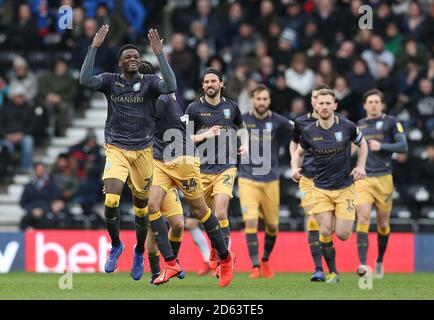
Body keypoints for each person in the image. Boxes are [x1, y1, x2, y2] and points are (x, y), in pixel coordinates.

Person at [79, 25, 181, 282]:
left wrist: (159, 54)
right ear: (120, 62)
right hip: (116, 148)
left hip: (144, 151)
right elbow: (84, 80)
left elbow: (170, 85)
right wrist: (93, 48)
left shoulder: (149, 83)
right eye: (129, 57)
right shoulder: (110, 81)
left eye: (137, 56)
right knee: (111, 198)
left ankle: (138, 250)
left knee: (141, 210)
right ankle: (116, 245)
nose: (134, 59)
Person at [136, 61, 235, 287]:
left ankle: (226, 257)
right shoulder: (154, 98)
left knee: (201, 210)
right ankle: (170, 263)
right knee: (152, 207)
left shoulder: (159, 100)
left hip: (183, 159)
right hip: (161, 160)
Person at [292, 89, 368, 283]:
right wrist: (294, 168)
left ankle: (334, 217)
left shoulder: (347, 126)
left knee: (342, 234)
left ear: (335, 105)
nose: (324, 107)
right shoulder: (308, 132)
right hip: (320, 189)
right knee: (324, 230)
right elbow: (299, 152)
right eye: (321, 103)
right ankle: (332, 272)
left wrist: (360, 166)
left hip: (344, 189)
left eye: (328, 103)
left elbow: (363, 144)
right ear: (315, 105)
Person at [186, 68, 249, 272]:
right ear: (203, 86)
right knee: (198, 219)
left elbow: (242, 128)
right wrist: (205, 135)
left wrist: (245, 144)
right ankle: (211, 253)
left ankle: (224, 258)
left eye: (213, 81)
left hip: (226, 167)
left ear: (221, 84)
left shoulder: (232, 107)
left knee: (221, 212)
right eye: (206, 82)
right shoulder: (194, 108)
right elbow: (184, 138)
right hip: (200, 170)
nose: (210, 85)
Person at [238, 85, 293, 279]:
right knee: (250, 220)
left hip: (270, 180)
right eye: (258, 99)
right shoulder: (242, 120)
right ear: (252, 99)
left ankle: (265, 260)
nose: (262, 102)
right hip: (247, 179)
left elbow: (298, 131)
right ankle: (254, 266)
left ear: (269, 101)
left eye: (265, 99)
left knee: (272, 226)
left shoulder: (278, 121)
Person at [355, 89, 408, 279]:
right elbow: (352, 150)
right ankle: (362, 264)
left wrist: (382, 146)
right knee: (362, 219)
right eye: (370, 102)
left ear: (382, 104)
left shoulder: (392, 122)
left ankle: (379, 260)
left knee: (383, 223)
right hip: (364, 179)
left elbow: (403, 147)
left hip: (384, 179)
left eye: (377, 101)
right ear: (364, 105)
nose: (374, 105)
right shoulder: (359, 125)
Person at [289, 84, 330, 282]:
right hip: (308, 178)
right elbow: (294, 143)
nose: (317, 102)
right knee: (312, 218)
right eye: (315, 98)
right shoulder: (301, 122)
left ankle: (330, 265)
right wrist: (293, 164)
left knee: (328, 226)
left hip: (331, 180)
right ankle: (318, 268)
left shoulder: (338, 124)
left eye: (321, 99)